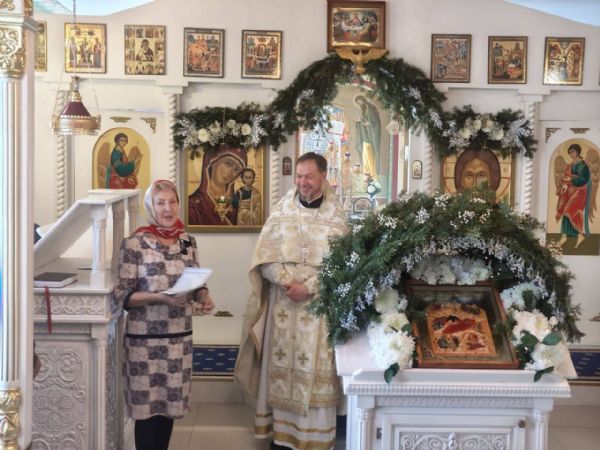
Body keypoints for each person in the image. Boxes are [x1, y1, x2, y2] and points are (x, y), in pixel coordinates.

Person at [235, 152, 347, 450]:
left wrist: (308, 287)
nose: (302, 182)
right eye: (299, 176)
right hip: (283, 304)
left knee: (315, 370)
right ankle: (281, 437)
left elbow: (343, 265)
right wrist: (288, 282)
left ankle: (314, 438)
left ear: (323, 176)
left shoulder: (337, 218)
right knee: (281, 367)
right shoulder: (281, 212)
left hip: (319, 308)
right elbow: (264, 258)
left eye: (309, 176)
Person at [113, 179, 215, 450]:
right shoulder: (134, 243)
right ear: (151, 206)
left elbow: (196, 282)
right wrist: (159, 297)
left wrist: (203, 296)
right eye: (161, 203)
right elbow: (123, 296)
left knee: (168, 411)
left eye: (172, 202)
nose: (168, 209)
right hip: (143, 344)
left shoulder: (186, 241)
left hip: (178, 341)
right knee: (146, 415)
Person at [187, 147, 247, 225]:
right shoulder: (193, 205)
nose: (230, 172)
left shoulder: (236, 205)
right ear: (212, 161)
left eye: (236, 169)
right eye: (228, 163)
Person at [555, 144, 592, 248]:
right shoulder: (570, 164)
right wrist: (565, 184)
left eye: (573, 151)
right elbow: (566, 178)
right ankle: (564, 236)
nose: (571, 154)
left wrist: (570, 179)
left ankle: (580, 235)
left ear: (578, 152)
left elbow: (583, 179)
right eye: (570, 152)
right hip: (570, 192)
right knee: (565, 211)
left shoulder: (582, 165)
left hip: (580, 192)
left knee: (570, 210)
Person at [354, 95, 381, 178]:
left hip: (373, 133)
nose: (360, 104)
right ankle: (368, 173)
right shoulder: (364, 110)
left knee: (374, 152)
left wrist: (369, 124)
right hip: (367, 133)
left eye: (360, 102)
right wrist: (359, 122)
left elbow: (376, 122)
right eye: (358, 103)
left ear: (363, 100)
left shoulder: (371, 108)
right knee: (366, 150)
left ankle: (374, 173)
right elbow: (365, 121)